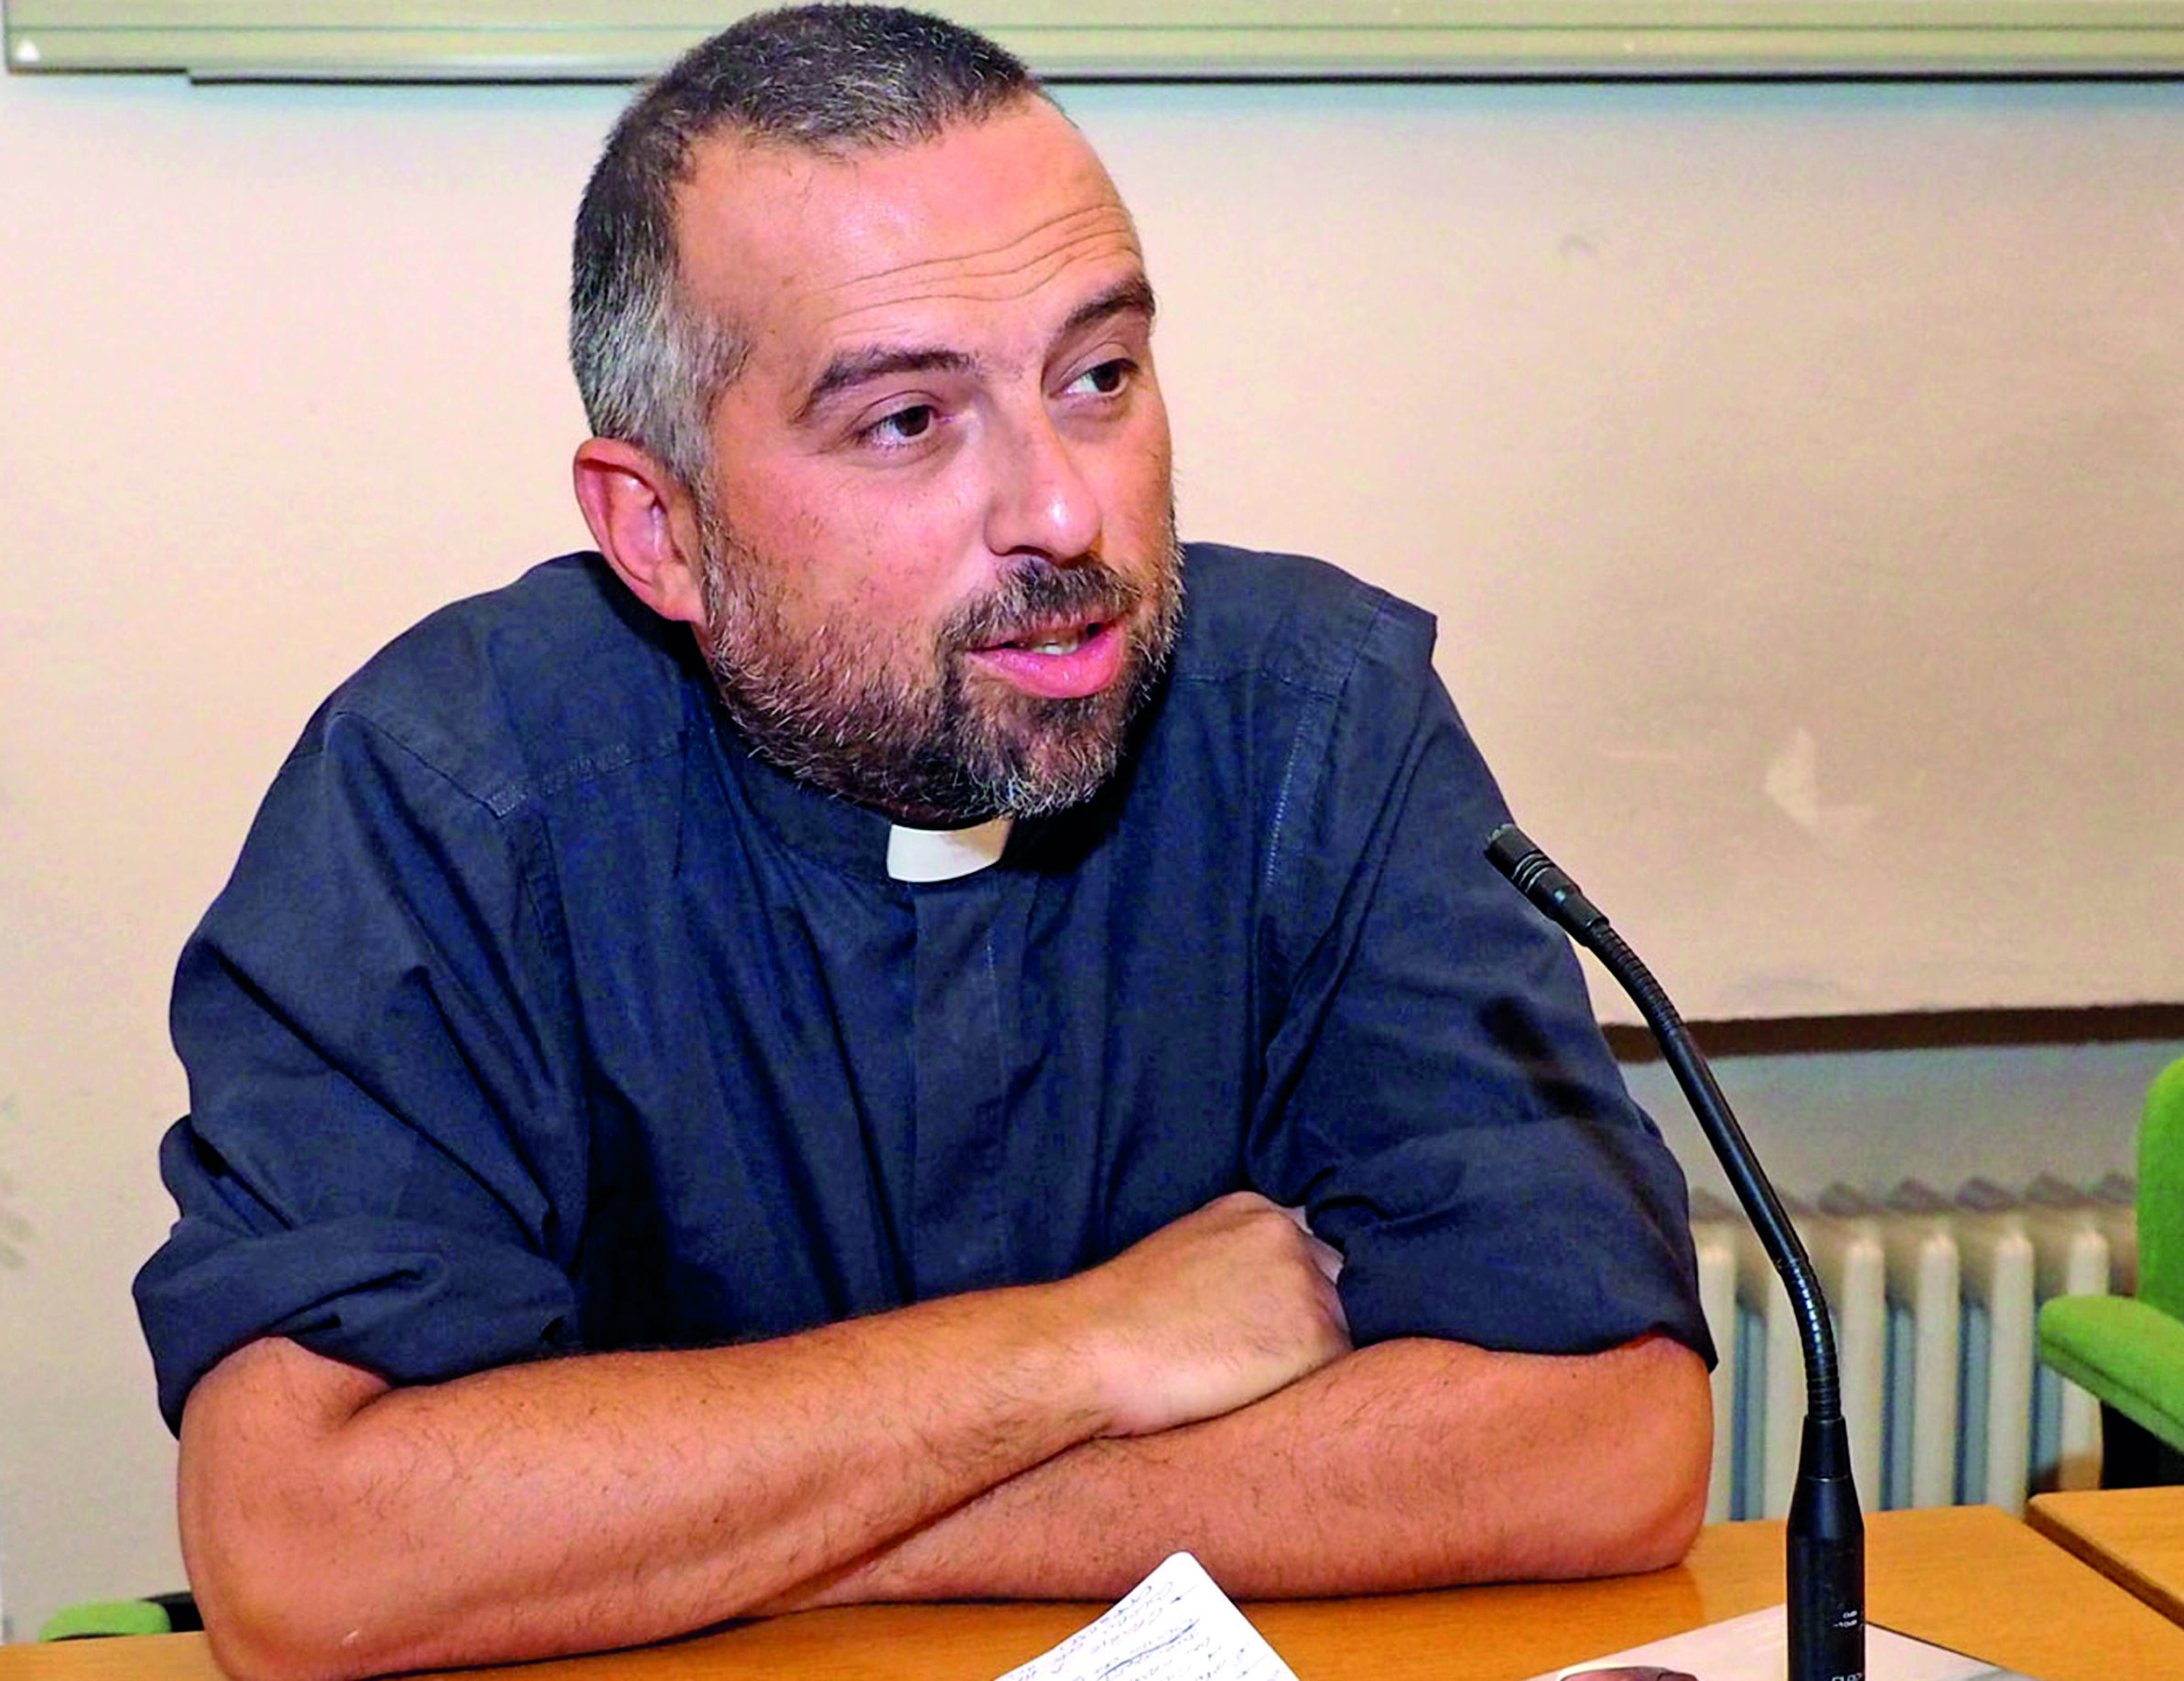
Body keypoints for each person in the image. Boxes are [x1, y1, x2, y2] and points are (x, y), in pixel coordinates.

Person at [134, 8, 1714, 1680]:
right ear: (658, 530)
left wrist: (743, 1539)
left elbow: (1609, 1439)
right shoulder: (453, 788)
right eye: (906, 421)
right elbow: (305, 1554)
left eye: (1098, 378)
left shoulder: (1313, 719)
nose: (1063, 513)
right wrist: (1076, 1351)